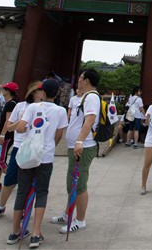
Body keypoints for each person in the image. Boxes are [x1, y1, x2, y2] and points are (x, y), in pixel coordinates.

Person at [8, 79, 68, 248]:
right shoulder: (61, 111)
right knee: (42, 192)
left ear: (42, 92)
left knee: (22, 191)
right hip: (45, 156)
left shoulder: (32, 107)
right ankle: (35, 233)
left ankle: (15, 231)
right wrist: (50, 146)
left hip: (28, 155)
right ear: (57, 93)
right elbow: (58, 135)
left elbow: (20, 128)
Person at [0, 81, 42, 222]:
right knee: (10, 178)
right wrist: (21, 121)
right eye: (40, 90)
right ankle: (0, 206)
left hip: (35, 149)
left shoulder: (45, 108)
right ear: (34, 92)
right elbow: (9, 126)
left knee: (27, 182)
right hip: (19, 147)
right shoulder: (20, 106)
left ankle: (23, 209)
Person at [51, 69, 101, 234]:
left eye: (81, 77)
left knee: (79, 184)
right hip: (76, 145)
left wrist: (79, 140)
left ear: (87, 81)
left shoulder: (91, 97)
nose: (78, 80)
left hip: (83, 146)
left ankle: (80, 220)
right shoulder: (84, 97)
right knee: (71, 182)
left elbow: (90, 120)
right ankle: (67, 213)